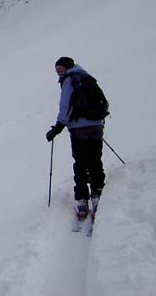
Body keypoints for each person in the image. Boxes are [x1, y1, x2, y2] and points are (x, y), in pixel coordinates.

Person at [46, 57, 105, 219]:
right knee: (95, 160)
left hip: (79, 128)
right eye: (57, 70)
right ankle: (97, 193)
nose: (59, 72)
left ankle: (81, 199)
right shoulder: (86, 77)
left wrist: (57, 128)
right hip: (96, 125)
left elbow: (65, 106)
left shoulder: (70, 80)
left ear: (68, 67)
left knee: (81, 162)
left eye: (60, 69)